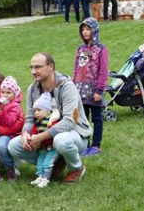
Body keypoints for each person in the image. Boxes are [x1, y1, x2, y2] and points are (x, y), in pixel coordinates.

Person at [7, 52, 92, 184]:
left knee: (61, 140)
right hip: (45, 138)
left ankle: (76, 168)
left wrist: (41, 137)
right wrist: (25, 133)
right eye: (31, 67)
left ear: (50, 66)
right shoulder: (32, 89)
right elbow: (30, 118)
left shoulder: (67, 87)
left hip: (75, 134)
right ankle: (52, 163)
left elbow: (70, 121)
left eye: (38, 67)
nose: (33, 72)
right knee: (14, 146)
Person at [74, 18, 109, 157]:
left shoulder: (101, 49)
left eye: (88, 29)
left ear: (94, 30)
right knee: (82, 119)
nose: (85, 32)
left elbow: (104, 70)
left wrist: (100, 90)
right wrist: (73, 85)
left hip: (94, 91)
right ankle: (84, 145)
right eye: (83, 29)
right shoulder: (80, 49)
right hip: (80, 90)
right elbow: (76, 69)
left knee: (96, 118)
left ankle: (96, 145)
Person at [28, 92, 60, 188]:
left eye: (39, 110)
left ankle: (46, 179)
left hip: (51, 148)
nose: (36, 113)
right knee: (40, 162)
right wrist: (32, 137)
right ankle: (40, 176)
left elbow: (53, 133)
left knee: (47, 163)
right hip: (42, 148)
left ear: (47, 111)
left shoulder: (52, 121)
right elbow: (34, 131)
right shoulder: (37, 122)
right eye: (34, 111)